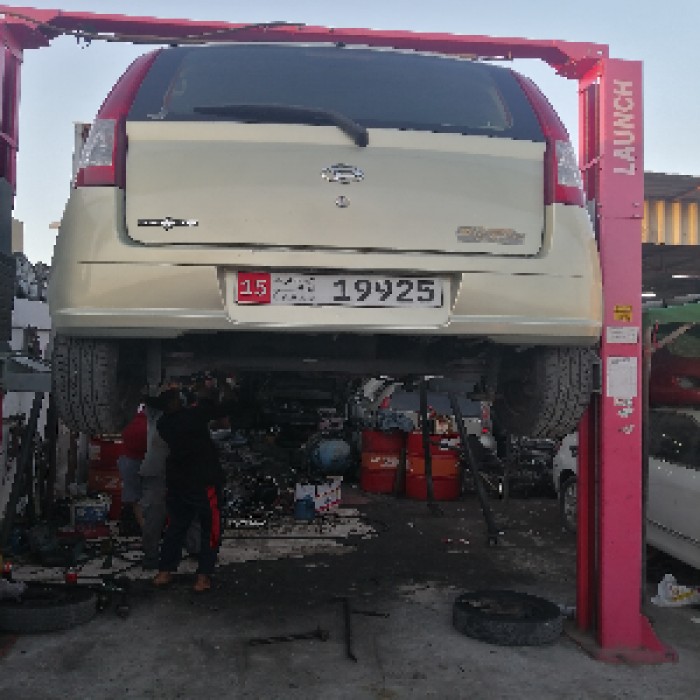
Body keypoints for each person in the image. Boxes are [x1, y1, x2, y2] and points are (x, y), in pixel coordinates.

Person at [152, 387, 238, 592]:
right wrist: (219, 391)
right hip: (203, 482)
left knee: (176, 527)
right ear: (173, 403)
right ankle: (203, 577)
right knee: (211, 529)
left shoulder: (163, 423)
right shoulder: (193, 416)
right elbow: (222, 409)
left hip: (178, 483)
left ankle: (165, 571)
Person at [116, 407, 147, 536]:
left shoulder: (133, 419)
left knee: (136, 499)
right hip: (143, 461)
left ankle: (147, 531)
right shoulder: (154, 420)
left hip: (130, 461)